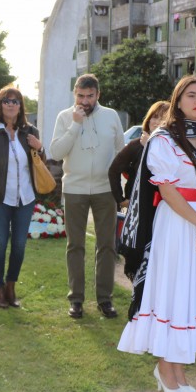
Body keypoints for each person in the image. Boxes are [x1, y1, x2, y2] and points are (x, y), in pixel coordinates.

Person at [117, 77, 196, 392]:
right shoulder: (163, 140)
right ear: (178, 101)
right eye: (191, 95)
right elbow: (167, 190)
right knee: (174, 291)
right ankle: (165, 367)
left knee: (192, 293)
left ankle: (179, 368)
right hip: (177, 224)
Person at [49, 74, 124, 319]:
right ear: (75, 94)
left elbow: (121, 153)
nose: (85, 101)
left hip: (105, 190)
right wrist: (75, 124)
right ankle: (76, 300)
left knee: (106, 246)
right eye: (80, 96)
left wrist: (121, 189)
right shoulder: (64, 117)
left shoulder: (111, 116)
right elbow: (57, 153)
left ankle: (105, 299)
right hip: (74, 189)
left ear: (98, 95)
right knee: (75, 245)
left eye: (90, 96)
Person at [0, 86, 43, 308]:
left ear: (21, 105)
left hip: (25, 197)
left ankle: (11, 286)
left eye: (15, 101)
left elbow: (39, 163)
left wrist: (40, 148)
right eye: (6, 100)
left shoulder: (30, 131)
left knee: (20, 244)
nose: (11, 104)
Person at [108, 101, 169, 209]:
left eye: (163, 119)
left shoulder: (174, 147)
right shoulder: (136, 144)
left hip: (165, 206)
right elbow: (114, 170)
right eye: (155, 117)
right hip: (137, 206)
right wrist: (121, 200)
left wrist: (149, 145)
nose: (157, 122)